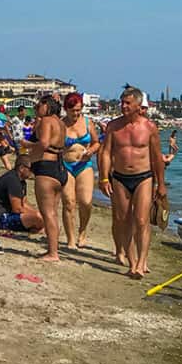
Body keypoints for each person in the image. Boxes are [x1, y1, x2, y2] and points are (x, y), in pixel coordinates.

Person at [98, 86, 167, 279]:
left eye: (128, 103)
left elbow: (156, 158)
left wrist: (161, 184)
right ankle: (131, 262)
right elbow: (105, 153)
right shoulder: (113, 126)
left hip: (144, 177)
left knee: (142, 220)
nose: (123, 106)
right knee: (123, 220)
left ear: (138, 105)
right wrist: (103, 177)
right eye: (122, 102)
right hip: (120, 177)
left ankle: (141, 262)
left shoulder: (149, 127)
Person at [25, 95, 68, 263]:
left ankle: (53, 253)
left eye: (39, 105)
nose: (36, 108)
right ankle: (53, 249)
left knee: (47, 213)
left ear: (47, 106)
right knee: (53, 213)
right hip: (59, 168)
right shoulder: (61, 123)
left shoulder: (46, 121)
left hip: (46, 168)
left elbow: (43, 144)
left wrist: (27, 144)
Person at [60, 92, 100, 249]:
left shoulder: (88, 123)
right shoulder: (61, 124)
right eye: (72, 111)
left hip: (84, 165)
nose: (76, 114)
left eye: (78, 110)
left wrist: (91, 151)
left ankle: (82, 231)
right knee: (69, 202)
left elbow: (97, 142)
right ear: (66, 109)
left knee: (86, 201)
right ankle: (70, 239)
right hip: (66, 164)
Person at [0, 156, 44, 233]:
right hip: (2, 220)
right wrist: (37, 217)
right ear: (21, 168)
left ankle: (36, 227)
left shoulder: (21, 182)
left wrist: (38, 214)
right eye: (31, 169)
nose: (33, 172)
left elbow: (24, 203)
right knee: (38, 219)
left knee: (40, 218)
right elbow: (17, 208)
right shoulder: (12, 180)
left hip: (12, 215)